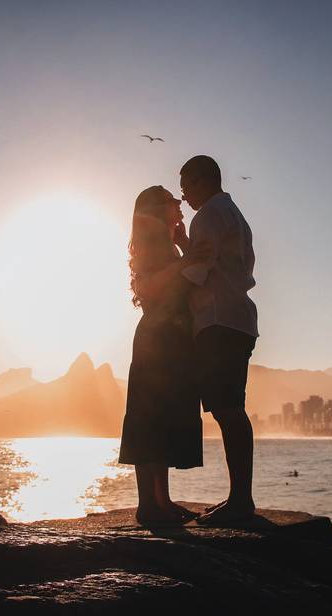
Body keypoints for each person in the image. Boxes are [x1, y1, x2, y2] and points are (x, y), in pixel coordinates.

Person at [118, 185, 210, 525]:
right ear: (158, 209)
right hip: (158, 340)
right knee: (150, 417)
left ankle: (162, 501)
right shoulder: (152, 244)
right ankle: (148, 506)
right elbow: (148, 287)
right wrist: (184, 262)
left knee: (166, 416)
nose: (180, 203)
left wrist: (184, 249)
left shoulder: (168, 243)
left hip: (173, 338)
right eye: (174, 200)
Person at [178, 155, 260, 524]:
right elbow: (219, 265)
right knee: (231, 409)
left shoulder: (208, 215)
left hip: (217, 321)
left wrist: (158, 287)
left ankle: (241, 502)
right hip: (237, 318)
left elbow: (197, 273)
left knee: (228, 411)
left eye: (185, 183)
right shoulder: (234, 214)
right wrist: (184, 244)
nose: (183, 192)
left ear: (201, 180)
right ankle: (240, 498)